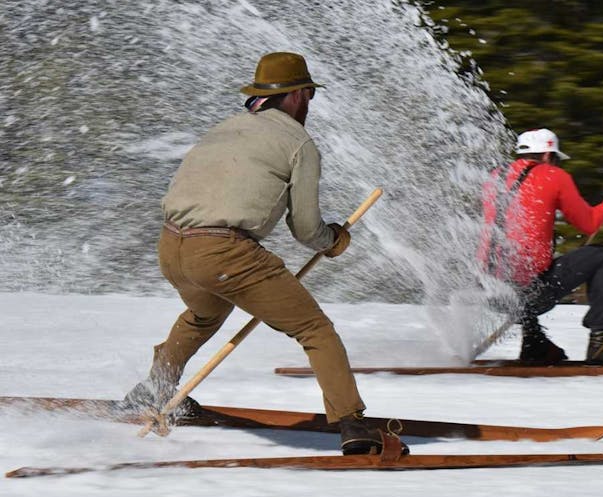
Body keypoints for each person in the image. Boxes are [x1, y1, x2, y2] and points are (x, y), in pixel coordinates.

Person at [123, 51, 406, 456]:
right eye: (308, 93)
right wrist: (335, 241)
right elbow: (307, 229)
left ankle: (153, 390)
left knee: (203, 315)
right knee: (315, 331)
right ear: (294, 95)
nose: (309, 103)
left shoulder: (225, 127)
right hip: (223, 253)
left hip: (172, 246)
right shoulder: (299, 143)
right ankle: (353, 426)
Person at [479, 128, 603, 365]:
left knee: (522, 267)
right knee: (600, 255)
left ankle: (535, 343)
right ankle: (601, 340)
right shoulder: (553, 175)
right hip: (531, 295)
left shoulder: (495, 176)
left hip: (491, 293)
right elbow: (588, 224)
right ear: (549, 156)